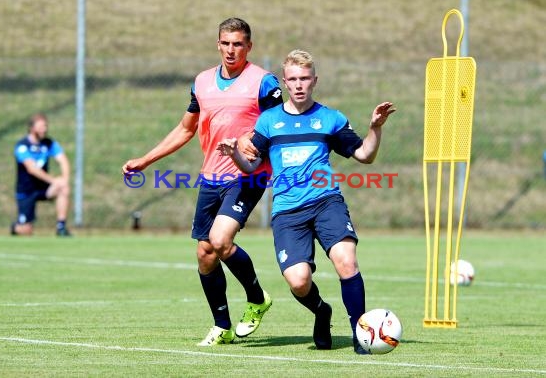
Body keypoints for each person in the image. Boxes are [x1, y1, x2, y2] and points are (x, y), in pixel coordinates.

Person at [217, 49, 396, 353]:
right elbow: (251, 166)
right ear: (285, 82)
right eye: (293, 79)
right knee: (298, 281)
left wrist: (375, 128)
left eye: (305, 78)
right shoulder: (269, 122)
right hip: (288, 212)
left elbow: (364, 155)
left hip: (326, 202)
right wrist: (234, 153)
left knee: (346, 260)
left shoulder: (330, 119)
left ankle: (360, 333)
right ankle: (321, 311)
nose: (299, 84)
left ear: (315, 81)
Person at [122, 18, 282, 346]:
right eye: (225, 43)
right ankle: (221, 325)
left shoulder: (263, 83)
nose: (231, 50)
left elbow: (278, 125)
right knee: (205, 253)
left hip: (248, 174)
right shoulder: (202, 82)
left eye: (238, 43)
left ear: (249, 47)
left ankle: (256, 298)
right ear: (218, 44)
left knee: (221, 241)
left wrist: (256, 147)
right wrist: (145, 159)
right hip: (211, 176)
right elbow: (185, 128)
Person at [12, 113, 72, 237]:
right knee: (26, 231)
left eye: (45, 126)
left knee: (63, 187)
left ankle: (61, 227)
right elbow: (32, 169)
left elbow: (63, 160)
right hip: (26, 191)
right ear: (31, 128)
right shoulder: (22, 146)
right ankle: (16, 226)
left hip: (43, 189)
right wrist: (53, 180)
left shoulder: (49, 143)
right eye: (41, 126)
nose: (44, 129)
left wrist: (64, 179)